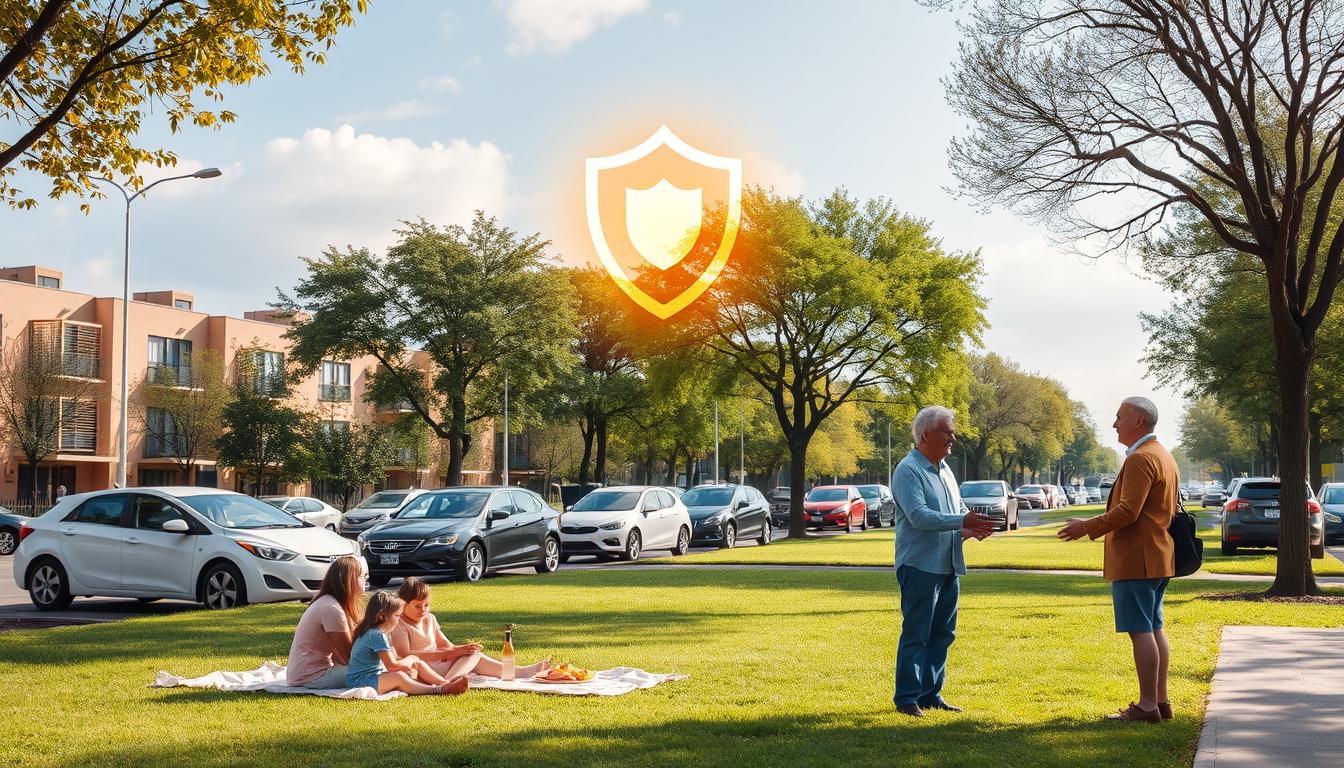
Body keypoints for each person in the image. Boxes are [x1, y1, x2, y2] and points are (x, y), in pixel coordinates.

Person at [1058, 396, 1178, 723]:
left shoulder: (1141, 458)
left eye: (1119, 417)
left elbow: (1128, 511)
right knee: (1153, 628)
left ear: (1138, 420)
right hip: (1156, 555)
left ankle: (1148, 706)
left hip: (1136, 558)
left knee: (1141, 630)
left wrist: (1087, 526)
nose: (1114, 424)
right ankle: (1160, 701)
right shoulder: (1162, 455)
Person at [891, 405, 997, 717]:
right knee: (917, 633)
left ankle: (930, 694)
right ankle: (907, 699)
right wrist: (960, 520)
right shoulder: (908, 470)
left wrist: (969, 529)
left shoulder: (945, 469)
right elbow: (920, 517)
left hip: (948, 564)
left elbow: (953, 513)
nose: (953, 437)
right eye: (946, 431)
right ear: (926, 434)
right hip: (919, 565)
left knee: (943, 634)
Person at [390, 577, 550, 679]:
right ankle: (449, 682)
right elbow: (405, 655)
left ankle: (520, 672)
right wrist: (450, 653)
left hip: (439, 662)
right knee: (474, 658)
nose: (424, 610)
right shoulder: (399, 624)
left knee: (473, 654)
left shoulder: (429, 618)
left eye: (427, 605)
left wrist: (464, 648)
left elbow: (446, 645)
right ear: (403, 605)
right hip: (422, 668)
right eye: (418, 606)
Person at [347, 591, 468, 696]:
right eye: (397, 616)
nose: (399, 619)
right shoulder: (377, 635)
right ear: (383, 616)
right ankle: (439, 690)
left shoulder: (373, 631)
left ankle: (445, 683)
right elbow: (392, 665)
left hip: (372, 676)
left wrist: (409, 663)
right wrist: (410, 659)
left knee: (417, 663)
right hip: (361, 681)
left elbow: (390, 663)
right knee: (399, 676)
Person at [285, 555, 365, 689]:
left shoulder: (330, 602)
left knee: (376, 667)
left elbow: (342, 656)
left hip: (307, 673)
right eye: (362, 576)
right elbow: (349, 658)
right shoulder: (332, 609)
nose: (365, 580)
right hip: (312, 676)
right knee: (372, 670)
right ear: (351, 580)